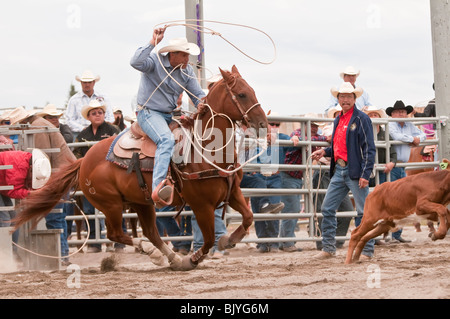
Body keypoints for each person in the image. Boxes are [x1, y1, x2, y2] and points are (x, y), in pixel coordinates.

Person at [130, 27, 206, 207]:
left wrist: (202, 103)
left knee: (190, 140)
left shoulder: (187, 72)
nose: (188, 59)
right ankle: (158, 187)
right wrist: (153, 41)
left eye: (188, 55)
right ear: (173, 54)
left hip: (168, 115)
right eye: (184, 55)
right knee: (166, 140)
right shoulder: (154, 62)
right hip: (148, 112)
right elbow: (135, 62)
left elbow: (197, 95)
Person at [311, 82, 376, 260]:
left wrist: (365, 174)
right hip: (340, 169)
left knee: (363, 212)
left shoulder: (362, 119)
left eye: (349, 96)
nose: (345, 99)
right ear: (338, 99)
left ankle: (367, 250)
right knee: (327, 207)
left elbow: (369, 148)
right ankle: (329, 247)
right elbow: (338, 145)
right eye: (342, 96)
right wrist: (325, 151)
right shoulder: (338, 119)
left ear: (354, 99)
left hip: (355, 172)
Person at [9, 106, 76, 265]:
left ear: (23, 122)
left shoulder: (37, 127)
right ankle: (63, 254)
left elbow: (44, 157)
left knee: (55, 216)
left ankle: (62, 255)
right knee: (58, 216)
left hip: (57, 176)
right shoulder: (41, 124)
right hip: (62, 174)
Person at [73, 100, 121, 252]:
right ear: (88, 117)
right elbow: (76, 155)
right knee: (88, 210)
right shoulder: (82, 135)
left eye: (100, 112)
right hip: (90, 179)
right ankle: (94, 242)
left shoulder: (113, 130)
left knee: (115, 208)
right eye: (94, 113)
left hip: (111, 178)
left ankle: (119, 241)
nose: (97, 115)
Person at [279, 120, 327, 252]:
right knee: (292, 208)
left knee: (292, 208)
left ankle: (283, 241)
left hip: (295, 176)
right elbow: (303, 138)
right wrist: (324, 138)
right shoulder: (298, 133)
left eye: (316, 126)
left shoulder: (311, 138)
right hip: (288, 175)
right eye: (312, 125)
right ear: (304, 125)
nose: (314, 128)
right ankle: (287, 242)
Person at [236, 125, 285, 253]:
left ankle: (273, 242)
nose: (272, 129)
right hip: (259, 176)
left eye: (276, 125)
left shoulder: (280, 137)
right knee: (259, 210)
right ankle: (262, 242)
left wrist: (296, 137)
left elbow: (295, 139)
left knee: (273, 208)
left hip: (273, 177)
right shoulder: (255, 141)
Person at [312, 108, 354, 251]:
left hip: (338, 170)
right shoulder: (331, 127)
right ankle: (323, 242)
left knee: (346, 209)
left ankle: (337, 240)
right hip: (325, 171)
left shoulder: (348, 126)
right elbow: (328, 137)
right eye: (337, 113)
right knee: (322, 207)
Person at [0, 149, 51, 262]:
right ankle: (7, 256)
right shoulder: (18, 168)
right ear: (32, 169)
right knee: (5, 219)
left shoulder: (24, 162)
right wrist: (31, 193)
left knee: (11, 219)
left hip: (2, 185)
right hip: (3, 186)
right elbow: (13, 191)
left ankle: (11, 253)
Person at [386, 100, 427, 243]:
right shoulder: (390, 125)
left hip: (402, 166)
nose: (400, 114)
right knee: (392, 200)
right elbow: (397, 136)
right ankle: (390, 234)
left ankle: (396, 234)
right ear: (392, 114)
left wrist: (416, 139)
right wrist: (413, 139)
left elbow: (423, 135)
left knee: (402, 200)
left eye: (403, 112)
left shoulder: (409, 125)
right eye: (397, 112)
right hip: (393, 166)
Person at [65, 70, 114, 141]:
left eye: (89, 82)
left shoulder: (103, 97)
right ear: (81, 83)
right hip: (80, 133)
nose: (87, 85)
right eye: (85, 82)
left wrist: (101, 127)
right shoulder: (74, 99)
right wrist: (83, 129)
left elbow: (110, 117)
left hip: (103, 133)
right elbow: (69, 120)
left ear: (94, 83)